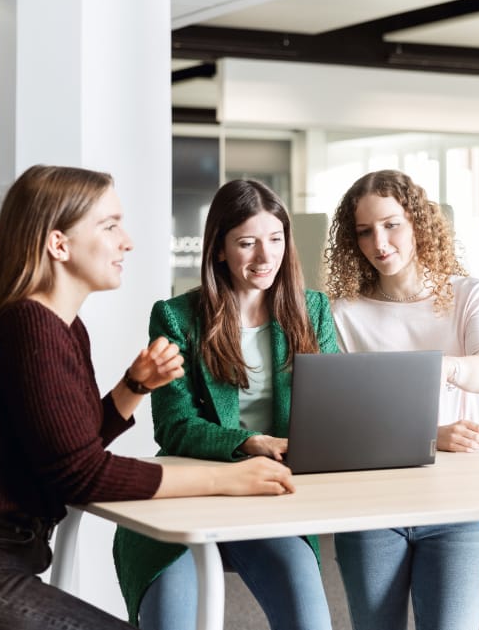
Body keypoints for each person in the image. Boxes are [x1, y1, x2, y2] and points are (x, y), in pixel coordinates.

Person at [0, 166, 297, 630]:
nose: (128, 241)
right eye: (110, 225)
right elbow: (80, 474)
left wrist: (132, 388)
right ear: (59, 245)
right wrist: (226, 480)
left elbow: (69, 449)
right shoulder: (31, 324)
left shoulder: (61, 325)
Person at [112, 179, 337, 630]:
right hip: (189, 492)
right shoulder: (176, 316)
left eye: (275, 240)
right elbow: (174, 426)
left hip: (269, 497)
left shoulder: (311, 309)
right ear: (218, 250)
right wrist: (250, 441)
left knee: (310, 619)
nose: (264, 256)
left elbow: (334, 407)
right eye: (247, 243)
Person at [323, 169, 479, 630]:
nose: (379, 243)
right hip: (371, 506)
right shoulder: (343, 313)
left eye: (391, 224)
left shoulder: (469, 295)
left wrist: (443, 367)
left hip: (456, 504)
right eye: (364, 231)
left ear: (418, 223)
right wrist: (431, 436)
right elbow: (342, 421)